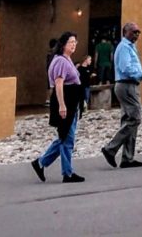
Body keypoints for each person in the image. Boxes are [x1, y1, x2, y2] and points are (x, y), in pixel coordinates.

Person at [32, 31, 85, 184]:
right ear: (63, 44)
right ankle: (67, 173)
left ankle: (41, 163)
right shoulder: (61, 61)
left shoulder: (67, 59)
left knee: (64, 137)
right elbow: (59, 83)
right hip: (66, 101)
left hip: (72, 102)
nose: (74, 45)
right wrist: (62, 105)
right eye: (71, 42)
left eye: (75, 42)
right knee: (67, 139)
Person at [99, 20, 142, 169]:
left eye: (138, 32)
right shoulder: (124, 47)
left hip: (130, 84)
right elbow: (126, 68)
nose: (137, 34)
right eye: (134, 32)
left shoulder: (130, 47)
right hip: (126, 85)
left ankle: (127, 158)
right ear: (125, 32)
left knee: (128, 119)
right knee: (135, 118)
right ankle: (110, 148)